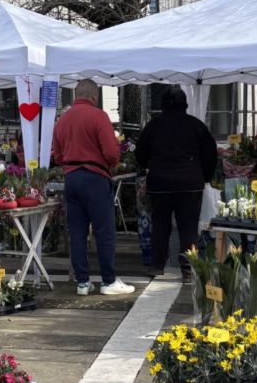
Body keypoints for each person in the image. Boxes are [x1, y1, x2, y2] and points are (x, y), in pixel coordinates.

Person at [52, 80, 134, 296]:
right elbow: (111, 153)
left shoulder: (62, 120)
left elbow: (57, 155)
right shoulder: (99, 116)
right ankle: (108, 281)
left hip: (71, 178)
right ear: (94, 96)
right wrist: (111, 162)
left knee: (77, 233)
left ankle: (82, 282)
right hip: (95, 177)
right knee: (104, 231)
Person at [135, 87, 218, 281]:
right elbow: (211, 154)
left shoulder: (153, 126)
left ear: (162, 105)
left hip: (160, 183)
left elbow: (140, 153)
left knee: (160, 224)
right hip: (191, 183)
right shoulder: (196, 125)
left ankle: (157, 265)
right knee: (188, 227)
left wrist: (149, 166)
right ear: (185, 104)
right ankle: (188, 269)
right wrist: (204, 176)